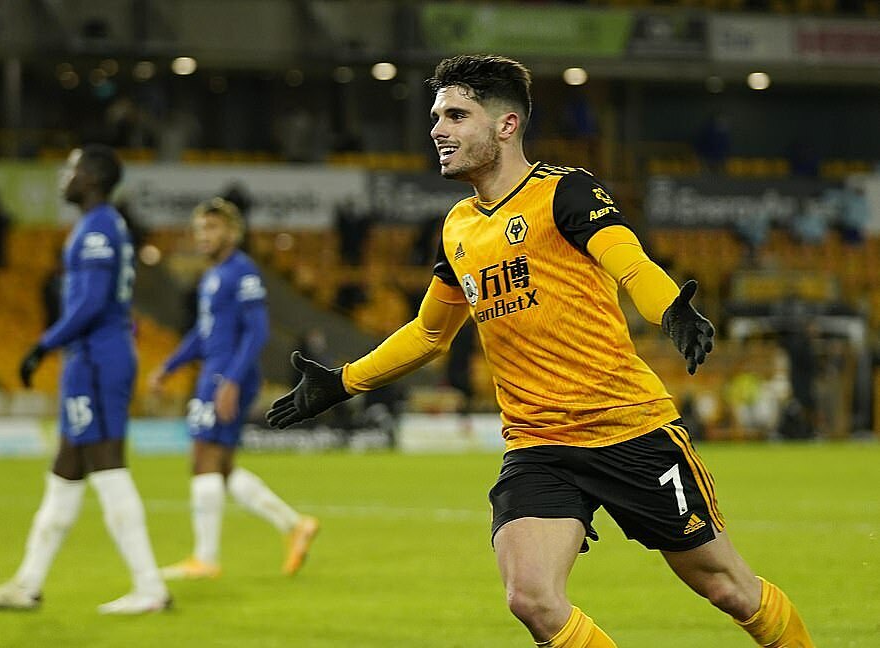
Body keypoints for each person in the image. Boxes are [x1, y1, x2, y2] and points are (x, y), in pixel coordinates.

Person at [267, 55, 814, 647]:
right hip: (539, 444)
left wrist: (669, 309)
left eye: (456, 115)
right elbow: (429, 333)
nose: (437, 129)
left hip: (628, 430)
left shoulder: (565, 191)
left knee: (728, 589)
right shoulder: (457, 227)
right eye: (436, 116)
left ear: (506, 125)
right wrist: (343, 381)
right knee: (530, 597)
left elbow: (629, 261)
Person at [0, 144, 170, 615]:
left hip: (98, 359)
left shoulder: (99, 226)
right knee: (65, 471)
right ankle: (27, 584)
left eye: (73, 169)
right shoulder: (100, 224)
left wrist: (43, 344)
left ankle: (150, 587)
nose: (65, 176)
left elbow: (92, 303)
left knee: (108, 465)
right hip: (90, 358)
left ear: (94, 178)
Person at [148, 197, 319, 580]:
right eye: (199, 229)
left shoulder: (242, 271)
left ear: (232, 232)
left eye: (212, 228)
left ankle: (205, 558)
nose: (203, 236)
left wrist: (231, 380)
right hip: (216, 373)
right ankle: (294, 525)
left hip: (225, 376)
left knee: (203, 459)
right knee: (221, 468)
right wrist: (169, 367)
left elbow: (257, 331)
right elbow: (203, 332)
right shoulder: (213, 275)